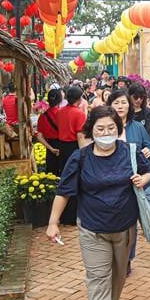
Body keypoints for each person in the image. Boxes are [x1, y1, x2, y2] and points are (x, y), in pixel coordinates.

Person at [46, 106, 150, 300]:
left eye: (111, 128)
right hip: (92, 228)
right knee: (97, 278)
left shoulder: (130, 151)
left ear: (119, 129)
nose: (106, 133)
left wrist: (142, 180)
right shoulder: (81, 158)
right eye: (101, 128)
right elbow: (64, 191)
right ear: (91, 131)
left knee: (118, 275)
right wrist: (53, 222)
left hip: (125, 228)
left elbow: (147, 171)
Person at [106, 89, 150, 274]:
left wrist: (148, 151)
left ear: (129, 105)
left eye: (123, 103)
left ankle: (127, 258)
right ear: (110, 106)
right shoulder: (106, 127)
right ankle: (112, 257)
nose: (120, 106)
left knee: (130, 225)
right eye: (116, 103)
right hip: (110, 182)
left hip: (134, 182)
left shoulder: (137, 127)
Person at [55, 86, 87, 224]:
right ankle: (73, 216)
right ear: (79, 99)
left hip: (62, 147)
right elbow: (80, 136)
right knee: (76, 181)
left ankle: (64, 215)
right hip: (74, 147)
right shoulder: (79, 113)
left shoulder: (60, 112)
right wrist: (84, 154)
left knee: (65, 179)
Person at [35, 88, 64, 175]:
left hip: (50, 146)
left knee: (51, 174)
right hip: (64, 145)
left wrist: (51, 149)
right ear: (60, 100)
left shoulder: (42, 117)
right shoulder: (63, 114)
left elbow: (39, 136)